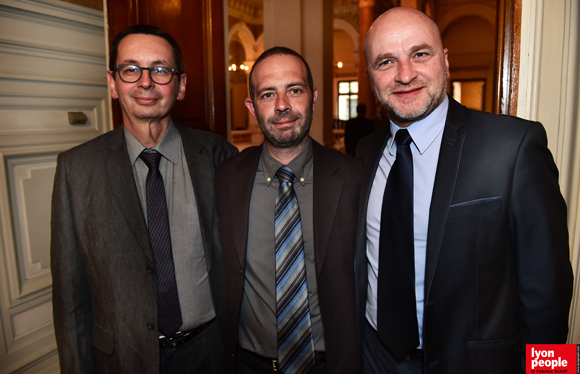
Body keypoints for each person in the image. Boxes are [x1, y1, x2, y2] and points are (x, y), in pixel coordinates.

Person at [355, 7, 573, 374]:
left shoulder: (513, 147)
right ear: (371, 77)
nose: (405, 74)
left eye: (420, 54)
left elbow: (548, 295)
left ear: (445, 61)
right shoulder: (366, 151)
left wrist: (549, 371)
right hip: (375, 359)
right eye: (386, 62)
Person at [50, 24, 237, 374]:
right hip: (122, 359)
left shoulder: (218, 156)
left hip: (210, 353)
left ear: (181, 86)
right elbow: (69, 296)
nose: (146, 82)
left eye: (161, 70)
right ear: (113, 83)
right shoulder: (76, 169)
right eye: (131, 69)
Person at [216, 46, 362, 374]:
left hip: (331, 363)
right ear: (252, 107)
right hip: (248, 365)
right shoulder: (226, 178)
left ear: (313, 96)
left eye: (294, 90)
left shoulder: (354, 177)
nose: (282, 105)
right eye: (268, 94)